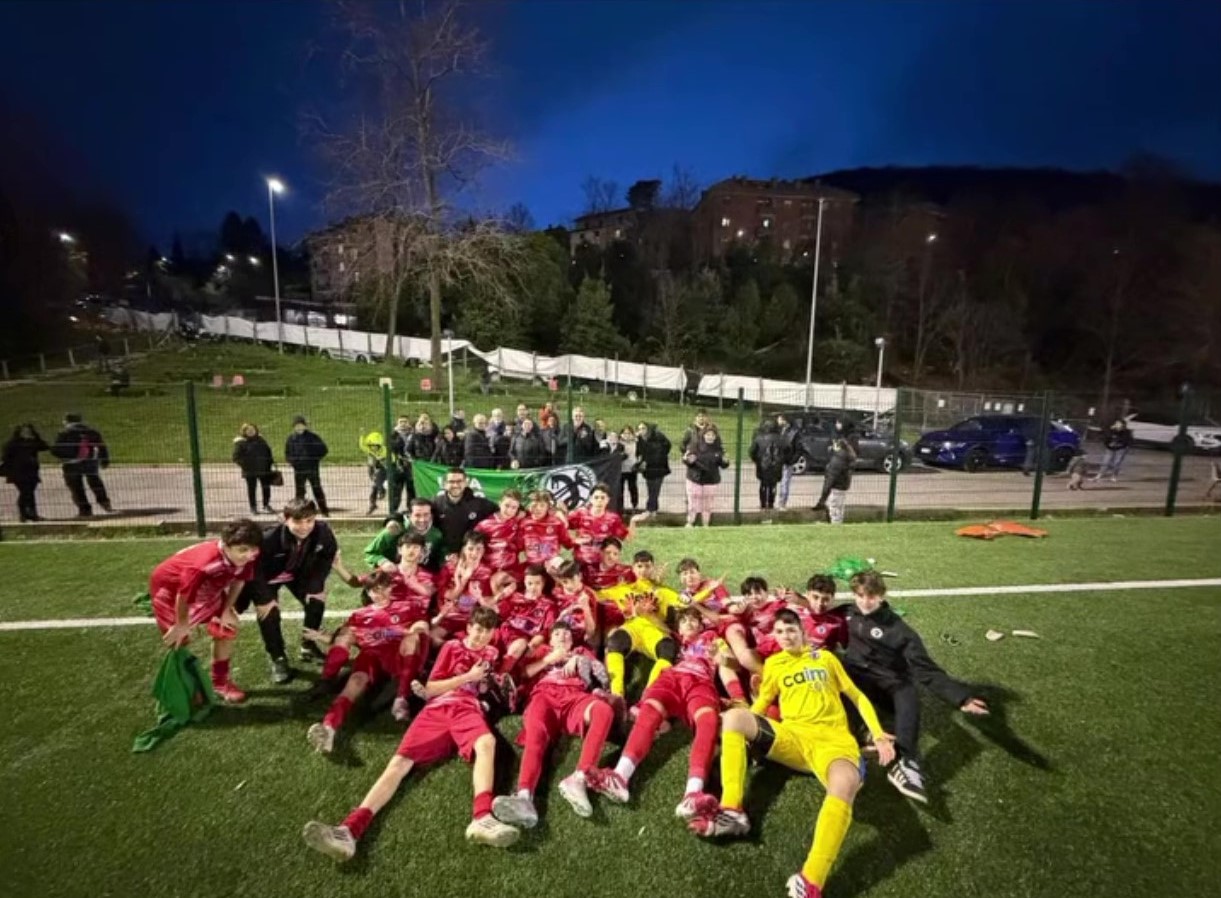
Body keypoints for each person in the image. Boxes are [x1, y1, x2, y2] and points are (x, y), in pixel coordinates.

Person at [688, 609, 896, 898]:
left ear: (802, 632)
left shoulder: (825, 658)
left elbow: (856, 696)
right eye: (780, 632)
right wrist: (741, 732)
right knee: (734, 718)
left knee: (845, 783)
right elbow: (762, 702)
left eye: (791, 630)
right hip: (793, 739)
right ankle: (732, 811)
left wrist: (878, 734)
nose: (785, 636)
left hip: (834, 742)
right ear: (774, 635)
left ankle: (811, 881)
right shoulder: (774, 664)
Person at [301, 606, 522, 861]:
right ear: (469, 627)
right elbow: (432, 688)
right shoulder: (452, 647)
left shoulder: (492, 654)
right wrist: (468, 676)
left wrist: (496, 688)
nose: (482, 636)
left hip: (467, 708)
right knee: (398, 764)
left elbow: (486, 688)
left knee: (486, 742)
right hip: (438, 708)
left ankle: (481, 817)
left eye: (487, 631)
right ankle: (349, 830)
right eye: (478, 629)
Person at [843, 571, 989, 804]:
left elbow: (925, 669)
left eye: (871, 596)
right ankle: (859, 737)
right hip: (856, 676)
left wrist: (961, 698)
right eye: (860, 596)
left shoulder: (899, 630)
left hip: (887, 682)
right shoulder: (848, 612)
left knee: (908, 691)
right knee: (835, 678)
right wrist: (797, 601)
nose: (865, 602)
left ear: (881, 596)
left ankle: (906, 761)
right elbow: (818, 614)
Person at [588, 607, 739, 819]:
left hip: (701, 682)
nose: (689, 623)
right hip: (672, 679)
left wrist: (722, 661)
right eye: (684, 621)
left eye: (693, 620)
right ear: (678, 628)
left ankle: (693, 793)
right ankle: (619, 777)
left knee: (708, 722)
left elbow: (734, 664)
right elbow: (655, 623)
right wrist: (642, 612)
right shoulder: (673, 641)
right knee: (649, 712)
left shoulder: (712, 639)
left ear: (701, 625)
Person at [491, 621, 617, 827]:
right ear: (550, 639)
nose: (563, 636)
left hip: (574, 696)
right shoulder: (542, 651)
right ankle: (524, 797)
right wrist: (548, 659)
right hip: (544, 695)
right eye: (557, 633)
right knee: (536, 735)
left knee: (603, 711)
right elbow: (522, 674)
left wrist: (580, 660)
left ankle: (580, 777)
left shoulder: (580, 651)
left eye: (567, 634)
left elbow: (603, 676)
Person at [304, 568, 431, 752]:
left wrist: (401, 632)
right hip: (371, 655)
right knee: (354, 682)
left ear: (391, 587)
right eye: (373, 590)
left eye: (382, 588)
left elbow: (422, 630)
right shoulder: (359, 615)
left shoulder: (408, 606)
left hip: (397, 654)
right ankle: (329, 729)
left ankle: (401, 699)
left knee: (412, 640)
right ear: (368, 592)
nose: (378, 594)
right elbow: (345, 636)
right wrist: (325, 637)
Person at [147, 518, 265, 703]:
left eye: (253, 549)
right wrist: (182, 624)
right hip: (170, 590)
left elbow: (239, 580)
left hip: (208, 585)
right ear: (225, 545)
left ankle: (220, 682)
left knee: (227, 627)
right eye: (243, 550)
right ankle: (187, 684)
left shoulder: (248, 556)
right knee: (178, 639)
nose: (249, 555)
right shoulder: (203, 564)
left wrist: (227, 609)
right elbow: (183, 594)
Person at [234, 498, 339, 684]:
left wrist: (315, 585)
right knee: (269, 613)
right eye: (297, 521)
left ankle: (308, 645)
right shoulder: (267, 539)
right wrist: (264, 598)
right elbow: (252, 569)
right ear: (285, 519)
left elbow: (326, 557)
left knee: (316, 600)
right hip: (266, 578)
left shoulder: (323, 532)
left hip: (297, 574)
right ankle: (278, 658)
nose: (304, 527)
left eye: (309, 520)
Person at [598, 550, 682, 697]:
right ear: (633, 568)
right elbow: (596, 595)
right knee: (615, 641)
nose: (643, 570)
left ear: (653, 567)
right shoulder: (624, 589)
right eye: (640, 566)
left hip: (656, 631)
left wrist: (708, 593)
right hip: (633, 629)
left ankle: (648, 696)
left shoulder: (663, 591)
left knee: (668, 650)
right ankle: (617, 695)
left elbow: (685, 602)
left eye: (647, 566)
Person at [432, 531, 496, 643]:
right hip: (448, 617)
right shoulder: (450, 567)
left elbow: (488, 603)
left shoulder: (487, 572)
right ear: (464, 549)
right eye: (470, 549)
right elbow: (447, 595)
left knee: (471, 642)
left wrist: (479, 597)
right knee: (432, 637)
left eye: (478, 549)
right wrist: (463, 581)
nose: (474, 553)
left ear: (483, 551)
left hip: (471, 620)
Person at [567, 482, 634, 579]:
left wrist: (633, 521)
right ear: (591, 499)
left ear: (608, 500)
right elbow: (562, 527)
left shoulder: (612, 519)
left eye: (603, 498)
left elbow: (627, 538)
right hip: (581, 562)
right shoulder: (580, 514)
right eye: (596, 497)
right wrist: (574, 540)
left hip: (602, 564)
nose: (599, 501)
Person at [51, 412, 111, 517]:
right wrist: (104, 460)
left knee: (76, 487)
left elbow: (57, 449)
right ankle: (104, 502)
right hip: (90, 462)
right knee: (95, 482)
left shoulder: (64, 433)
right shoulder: (92, 432)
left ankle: (85, 509)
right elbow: (101, 447)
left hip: (71, 464)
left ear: (66, 421)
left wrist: (61, 456)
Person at [432, 468, 497, 556]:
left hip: (471, 556)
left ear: (466, 483)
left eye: (459, 481)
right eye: (451, 482)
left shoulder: (479, 503)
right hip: (444, 556)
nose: (455, 485)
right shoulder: (436, 503)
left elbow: (502, 512)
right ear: (445, 484)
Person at [682, 426, 729, 528]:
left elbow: (723, 464)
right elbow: (686, 459)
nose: (710, 437)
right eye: (708, 435)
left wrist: (725, 462)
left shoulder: (719, 449)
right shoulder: (695, 446)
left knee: (708, 503)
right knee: (693, 501)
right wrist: (688, 460)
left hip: (711, 480)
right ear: (703, 435)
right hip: (695, 479)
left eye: (712, 435)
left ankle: (705, 524)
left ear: (715, 437)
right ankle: (690, 522)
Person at [2, 423, 49, 522]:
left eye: (28, 431)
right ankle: (24, 514)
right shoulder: (13, 443)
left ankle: (31, 514)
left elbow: (44, 446)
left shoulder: (33, 442)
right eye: (24, 431)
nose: (26, 433)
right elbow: (6, 457)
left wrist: (36, 437)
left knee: (30, 493)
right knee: (26, 492)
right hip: (18, 472)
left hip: (31, 471)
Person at [285, 415, 330, 516]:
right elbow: (287, 453)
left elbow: (324, 449)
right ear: (294, 427)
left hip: (312, 468)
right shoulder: (291, 439)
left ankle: (324, 510)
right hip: (299, 469)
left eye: (301, 425)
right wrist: (293, 462)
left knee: (317, 489)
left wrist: (314, 460)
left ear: (305, 426)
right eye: (297, 426)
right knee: (299, 491)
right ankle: (299, 511)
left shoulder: (313, 437)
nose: (299, 427)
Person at [519, 489, 574, 569]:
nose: (538, 508)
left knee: (561, 565)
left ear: (548, 507)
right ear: (530, 506)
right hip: (532, 565)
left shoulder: (556, 522)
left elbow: (568, 543)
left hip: (552, 564)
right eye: (535, 505)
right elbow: (519, 545)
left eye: (542, 505)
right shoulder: (524, 523)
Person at [474, 489, 524, 574]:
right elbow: (473, 547)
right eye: (506, 505)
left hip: (511, 571)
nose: (509, 510)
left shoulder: (518, 522)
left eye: (514, 508)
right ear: (500, 503)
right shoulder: (484, 525)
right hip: (488, 571)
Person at [232, 423, 275, 515]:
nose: (251, 431)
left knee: (266, 487)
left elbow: (268, 452)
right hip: (250, 471)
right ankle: (253, 507)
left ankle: (266, 504)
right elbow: (236, 457)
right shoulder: (241, 443)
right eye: (248, 430)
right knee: (252, 489)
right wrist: (246, 465)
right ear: (244, 432)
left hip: (264, 469)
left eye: (253, 429)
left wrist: (269, 463)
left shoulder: (261, 440)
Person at [813, 437, 855, 525]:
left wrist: (823, 498)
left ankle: (835, 525)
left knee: (834, 508)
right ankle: (837, 523)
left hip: (836, 487)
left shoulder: (837, 460)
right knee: (839, 508)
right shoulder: (847, 456)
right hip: (843, 487)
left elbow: (830, 479)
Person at [750, 419, 786, 516]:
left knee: (763, 485)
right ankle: (770, 504)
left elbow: (752, 452)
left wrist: (757, 460)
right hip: (776, 467)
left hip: (763, 466)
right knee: (773, 485)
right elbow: (788, 450)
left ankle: (763, 504)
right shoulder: (781, 439)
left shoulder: (759, 438)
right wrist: (782, 461)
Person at [636, 422, 672, 518]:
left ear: (648, 429)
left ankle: (650, 509)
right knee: (651, 490)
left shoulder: (657, 437)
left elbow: (668, 445)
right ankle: (653, 509)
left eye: (643, 428)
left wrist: (662, 456)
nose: (641, 430)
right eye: (639, 429)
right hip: (648, 469)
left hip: (658, 468)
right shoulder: (639, 440)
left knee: (655, 490)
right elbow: (638, 453)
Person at [387, 414, 416, 515]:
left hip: (411, 466)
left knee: (411, 489)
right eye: (401, 422)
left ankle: (411, 509)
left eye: (405, 422)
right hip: (397, 466)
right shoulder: (392, 435)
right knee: (396, 490)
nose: (403, 424)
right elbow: (390, 448)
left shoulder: (414, 434)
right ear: (397, 423)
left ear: (409, 423)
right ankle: (393, 510)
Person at [1094, 417, 1134, 482]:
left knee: (1117, 463)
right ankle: (1099, 475)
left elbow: (1128, 440)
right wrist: (1110, 431)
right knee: (1105, 462)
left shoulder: (1127, 432)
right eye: (1116, 423)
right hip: (1110, 448)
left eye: (1119, 424)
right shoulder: (1111, 430)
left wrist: (1120, 442)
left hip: (1121, 449)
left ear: (1123, 425)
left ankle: (1114, 476)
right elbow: (1104, 434)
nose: (1118, 425)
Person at [358, 430, 388, 516]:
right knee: (374, 487)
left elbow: (392, 459)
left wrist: (381, 459)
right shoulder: (369, 450)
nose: (372, 448)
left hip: (384, 470)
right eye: (370, 446)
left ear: (379, 445)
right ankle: (373, 504)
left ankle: (382, 492)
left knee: (378, 484)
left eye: (374, 446)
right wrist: (362, 436)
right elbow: (362, 446)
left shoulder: (385, 451)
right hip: (374, 470)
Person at [777, 413, 800, 510]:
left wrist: (792, 460)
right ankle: (778, 502)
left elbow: (798, 448)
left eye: (779, 419)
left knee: (785, 482)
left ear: (784, 420)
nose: (778, 421)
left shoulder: (793, 433)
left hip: (787, 461)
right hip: (779, 460)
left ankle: (782, 503)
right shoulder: (780, 430)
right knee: (781, 482)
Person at [618, 426, 641, 513]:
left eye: (629, 433)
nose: (627, 435)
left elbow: (640, 454)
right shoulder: (619, 443)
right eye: (625, 433)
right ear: (621, 434)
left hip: (632, 469)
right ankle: (620, 507)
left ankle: (634, 506)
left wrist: (638, 463)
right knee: (620, 490)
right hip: (621, 470)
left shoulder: (636, 442)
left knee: (633, 488)